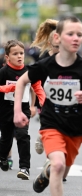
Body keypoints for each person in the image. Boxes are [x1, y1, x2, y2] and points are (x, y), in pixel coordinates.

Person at [13, 16, 82, 196]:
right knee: (57, 164)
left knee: (61, 169)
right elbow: (22, 82)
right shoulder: (46, 65)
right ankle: (51, 170)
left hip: (76, 128)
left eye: (79, 34)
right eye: (70, 34)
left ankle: (46, 174)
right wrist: (18, 110)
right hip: (51, 123)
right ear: (57, 38)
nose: (76, 38)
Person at [0, 40, 39, 180]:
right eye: (15, 54)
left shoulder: (28, 71)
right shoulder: (3, 72)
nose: (19, 56)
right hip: (5, 109)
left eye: (21, 53)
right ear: (7, 57)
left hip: (23, 109)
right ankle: (3, 158)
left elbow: (34, 89)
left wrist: (32, 106)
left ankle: (24, 167)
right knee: (6, 139)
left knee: (22, 135)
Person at [30, 19, 59, 156]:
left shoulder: (70, 61)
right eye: (57, 47)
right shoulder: (43, 63)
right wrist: (34, 103)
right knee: (49, 128)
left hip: (63, 102)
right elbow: (34, 83)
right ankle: (42, 134)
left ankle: (53, 161)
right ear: (50, 44)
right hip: (46, 101)